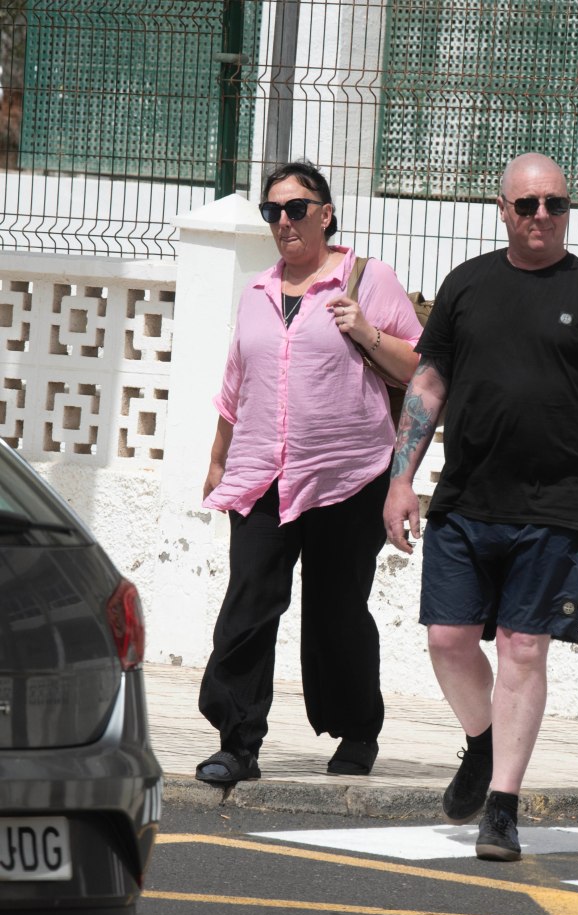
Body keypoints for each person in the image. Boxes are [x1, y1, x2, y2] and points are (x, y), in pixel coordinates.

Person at [383, 153, 578, 862]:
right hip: (465, 501)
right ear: (501, 208)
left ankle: (500, 804)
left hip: (554, 508)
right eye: (526, 204)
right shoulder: (467, 285)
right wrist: (400, 477)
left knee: (523, 649)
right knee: (446, 640)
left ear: (567, 209)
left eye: (553, 204)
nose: (540, 217)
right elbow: (429, 384)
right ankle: (482, 739)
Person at [196, 159, 423, 785]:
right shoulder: (258, 292)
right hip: (261, 475)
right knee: (247, 606)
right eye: (273, 211)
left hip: (346, 475)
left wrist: (368, 332)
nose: (284, 222)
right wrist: (218, 459)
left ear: (325, 213)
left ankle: (356, 732)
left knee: (337, 610)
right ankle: (237, 743)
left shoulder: (368, 280)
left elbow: (419, 369)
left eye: (297, 208)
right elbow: (236, 385)